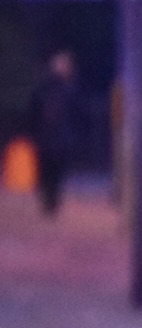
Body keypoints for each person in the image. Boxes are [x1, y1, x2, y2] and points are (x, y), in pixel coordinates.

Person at [30, 51, 85, 217]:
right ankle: (48, 201)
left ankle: (53, 202)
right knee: (45, 171)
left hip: (62, 137)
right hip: (46, 137)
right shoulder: (44, 88)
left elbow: (78, 113)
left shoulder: (72, 89)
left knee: (58, 171)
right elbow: (34, 111)